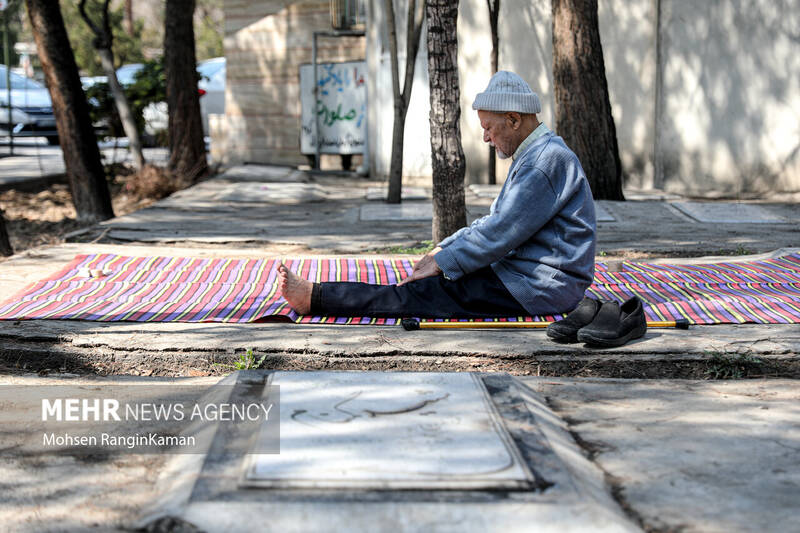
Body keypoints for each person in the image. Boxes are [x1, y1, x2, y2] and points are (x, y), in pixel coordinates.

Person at [279, 71, 596, 318]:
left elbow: (500, 232)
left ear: (514, 119)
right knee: (432, 283)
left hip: (543, 286)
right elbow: (496, 222)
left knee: (424, 295)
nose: (486, 137)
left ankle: (316, 297)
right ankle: (321, 294)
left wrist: (443, 262)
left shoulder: (544, 161)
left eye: (489, 127)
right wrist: (443, 250)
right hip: (527, 274)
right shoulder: (538, 155)